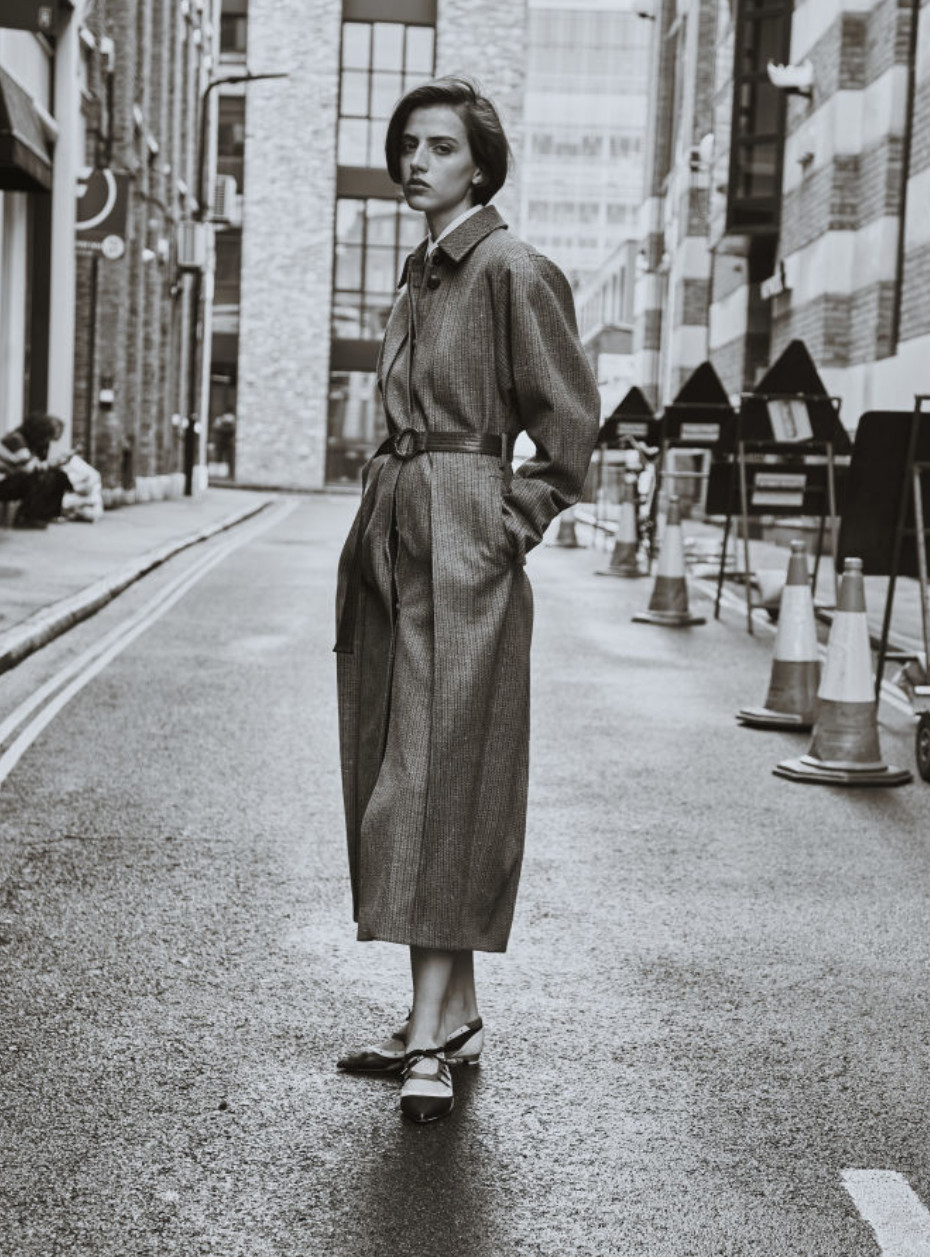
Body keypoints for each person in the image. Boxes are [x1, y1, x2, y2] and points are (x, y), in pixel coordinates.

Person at [333, 77, 600, 1123]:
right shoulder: (420, 277)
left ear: (480, 165)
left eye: (440, 147)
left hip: (462, 548)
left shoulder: (511, 268)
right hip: (398, 539)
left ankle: (430, 1037)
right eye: (408, 144)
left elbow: (569, 431)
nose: (417, 161)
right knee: (400, 777)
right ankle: (450, 1013)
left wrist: (502, 524)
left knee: (440, 786)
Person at [0, 413, 73, 528]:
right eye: (47, 437)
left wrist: (55, 463)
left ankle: (47, 514)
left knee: (58, 475)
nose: (47, 441)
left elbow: (33, 465)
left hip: (11, 479)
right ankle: (26, 517)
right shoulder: (15, 439)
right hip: (3, 482)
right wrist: (55, 463)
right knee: (39, 476)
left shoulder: (30, 443)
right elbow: (29, 468)